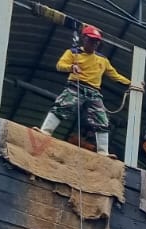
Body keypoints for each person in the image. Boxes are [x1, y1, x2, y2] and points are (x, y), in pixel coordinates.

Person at [38, 25, 140, 157]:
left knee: (102, 120)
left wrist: (132, 84)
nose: (94, 43)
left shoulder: (102, 59)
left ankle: (103, 152)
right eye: (91, 40)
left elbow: (115, 75)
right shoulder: (73, 52)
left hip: (94, 92)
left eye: (96, 41)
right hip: (76, 86)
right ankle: (45, 131)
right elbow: (60, 65)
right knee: (62, 106)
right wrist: (71, 67)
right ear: (84, 38)